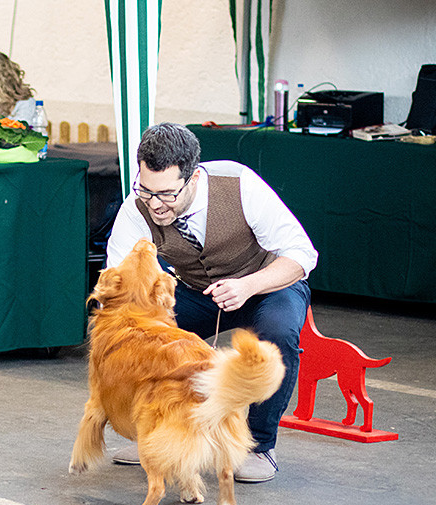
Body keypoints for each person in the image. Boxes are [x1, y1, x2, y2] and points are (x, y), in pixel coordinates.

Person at [105, 122, 317, 483]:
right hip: (195, 290)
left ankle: (259, 446)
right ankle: (155, 434)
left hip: (267, 284)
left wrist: (248, 285)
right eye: (146, 190)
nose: (155, 204)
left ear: (193, 177)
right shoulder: (136, 209)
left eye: (167, 194)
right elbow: (119, 279)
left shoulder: (239, 183)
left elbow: (302, 254)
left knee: (278, 334)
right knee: (136, 334)